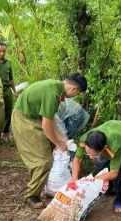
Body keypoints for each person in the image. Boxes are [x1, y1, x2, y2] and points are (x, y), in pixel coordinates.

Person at [12, 73, 87, 209]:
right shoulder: (52, 94)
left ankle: (44, 184)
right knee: (44, 160)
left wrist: (61, 139)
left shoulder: (56, 88)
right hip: (24, 119)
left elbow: (50, 118)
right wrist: (59, 143)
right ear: (74, 88)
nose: (75, 96)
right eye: (77, 93)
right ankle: (31, 195)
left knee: (50, 148)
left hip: (33, 117)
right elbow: (46, 126)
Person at [72, 121, 121, 213]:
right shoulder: (84, 139)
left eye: (94, 155)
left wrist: (90, 180)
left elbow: (114, 173)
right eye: (88, 153)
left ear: (105, 148)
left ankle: (120, 200)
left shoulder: (115, 145)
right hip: (111, 130)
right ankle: (110, 188)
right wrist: (74, 181)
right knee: (99, 169)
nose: (91, 157)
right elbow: (77, 159)